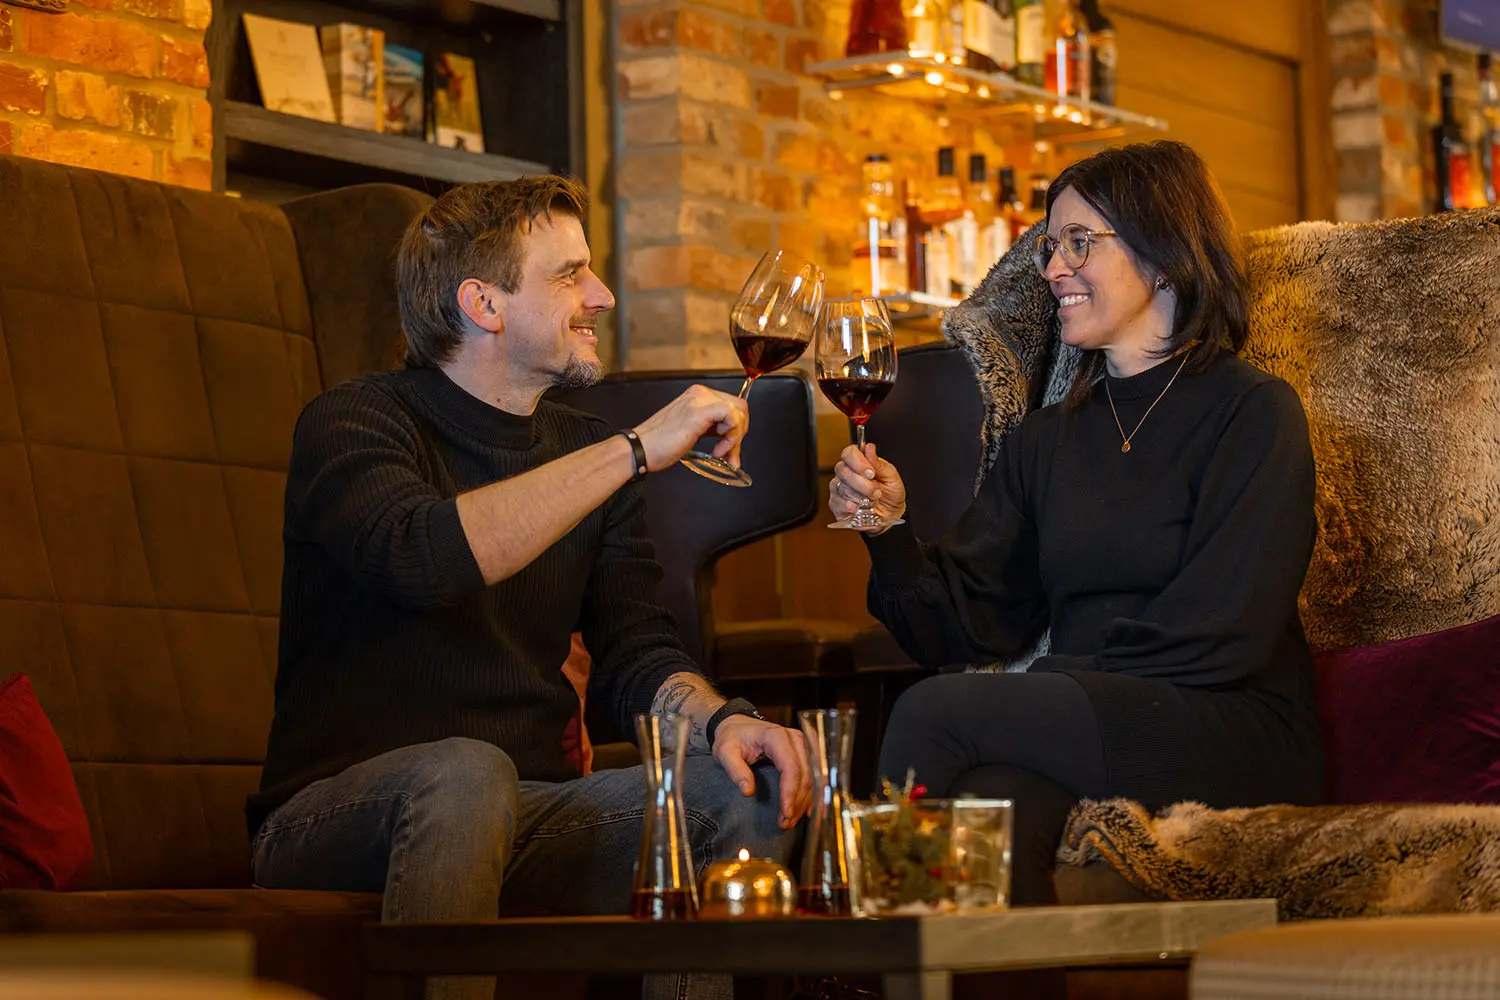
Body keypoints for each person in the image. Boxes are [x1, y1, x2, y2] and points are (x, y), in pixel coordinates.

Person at [248, 175, 811, 1000]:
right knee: (466, 776)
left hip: (531, 814)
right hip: (336, 817)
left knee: (741, 793)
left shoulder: (584, 449)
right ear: (483, 304)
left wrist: (722, 720)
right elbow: (421, 557)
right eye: (568, 274)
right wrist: (631, 451)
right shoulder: (353, 422)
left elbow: (636, 658)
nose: (602, 295)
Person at [828, 141, 1323, 906]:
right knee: (989, 806)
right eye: (1050, 247)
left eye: (1079, 243)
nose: (1053, 268)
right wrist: (888, 532)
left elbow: (1229, 629)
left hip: (1229, 721)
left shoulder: (1253, 413)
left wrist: (1057, 684)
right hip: (1092, 717)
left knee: (933, 713)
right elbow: (964, 624)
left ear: (1164, 252)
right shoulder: (1047, 439)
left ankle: (869, 967)